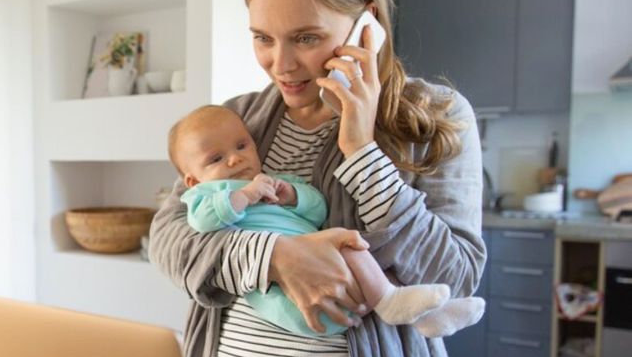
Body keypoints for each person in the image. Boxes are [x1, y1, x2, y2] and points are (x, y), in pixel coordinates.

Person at [149, 0, 485, 357]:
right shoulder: (237, 120)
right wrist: (273, 255)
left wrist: (362, 152)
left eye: (306, 38)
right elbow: (167, 237)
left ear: (365, 25)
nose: (280, 65)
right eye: (263, 37)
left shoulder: (437, 117)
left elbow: (456, 277)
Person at [168, 104, 484, 339]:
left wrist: (293, 195)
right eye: (216, 159)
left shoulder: (270, 180)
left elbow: (317, 209)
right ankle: (389, 302)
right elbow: (199, 222)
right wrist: (269, 246)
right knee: (346, 256)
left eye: (242, 146)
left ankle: (424, 314)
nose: (234, 159)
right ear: (192, 180)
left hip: (332, 270)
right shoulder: (206, 194)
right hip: (282, 296)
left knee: (353, 242)